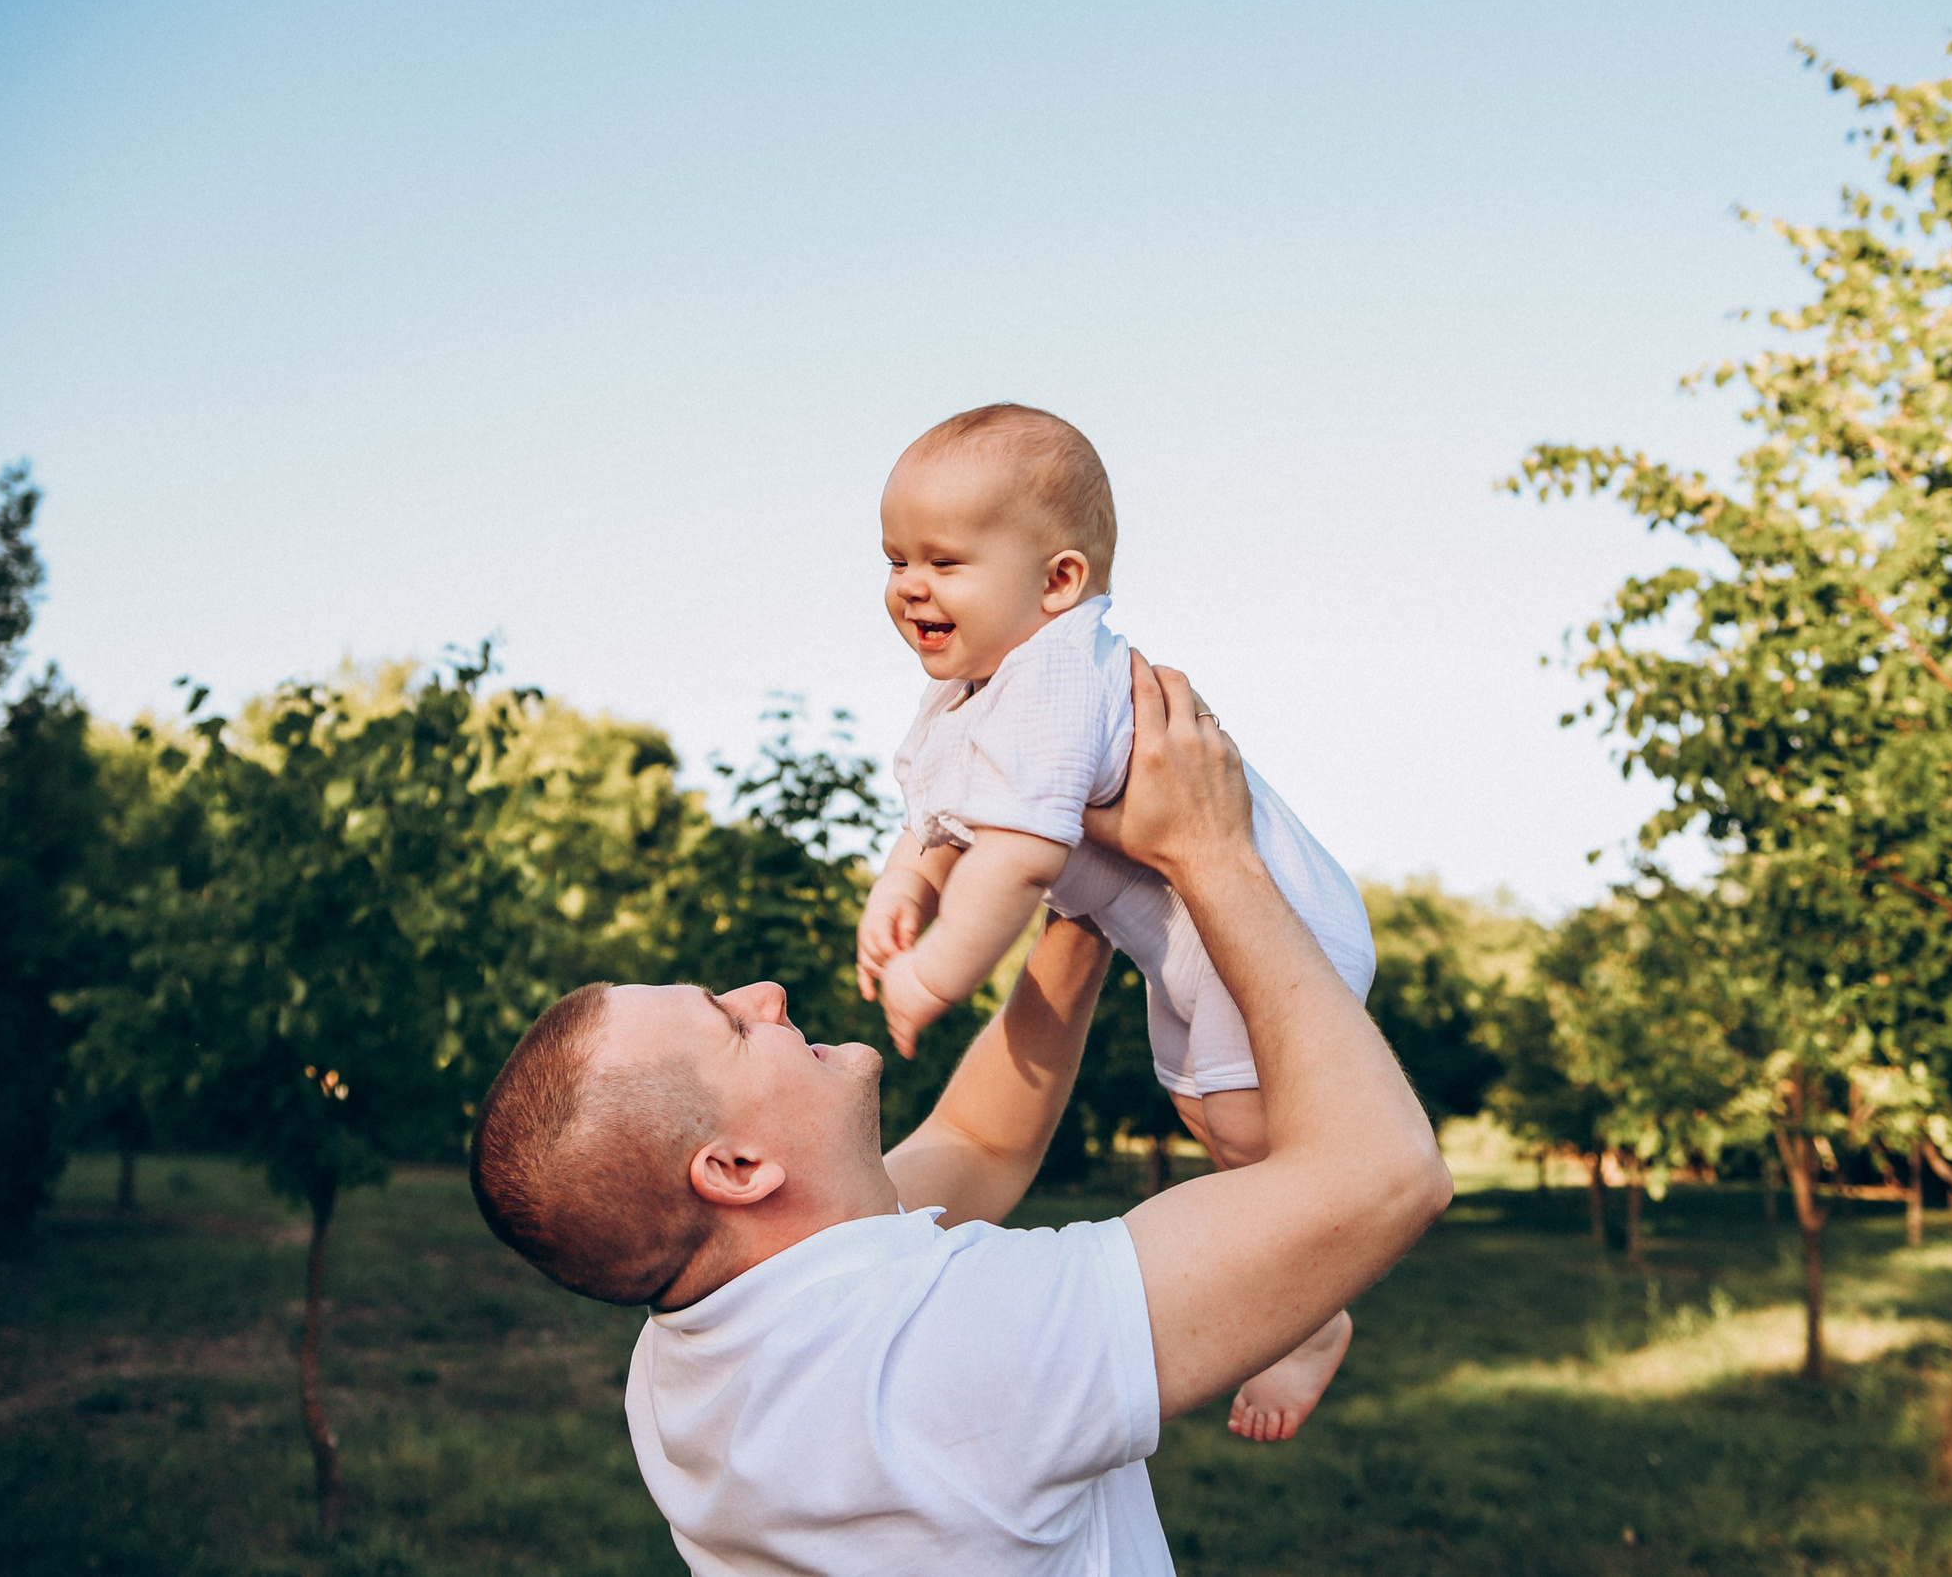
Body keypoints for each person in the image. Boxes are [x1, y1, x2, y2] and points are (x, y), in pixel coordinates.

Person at [470, 655, 1450, 1575]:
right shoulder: (950, 1356)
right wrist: (1208, 852)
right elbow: (1381, 1176)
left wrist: (1081, 894)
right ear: (734, 1169)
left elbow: (976, 1145)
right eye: (729, 1025)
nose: (763, 992)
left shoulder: (693, 1352)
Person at [861, 402, 1375, 1440]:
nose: (911, 584)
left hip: (1269, 923)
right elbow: (941, 813)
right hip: (1178, 941)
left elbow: (1019, 855)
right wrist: (902, 886)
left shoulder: (1054, 675)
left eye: (946, 560)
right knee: (1214, 1124)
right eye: (894, 558)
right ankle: (1306, 1288)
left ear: (1059, 582)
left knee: (1258, 1140)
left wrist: (937, 972)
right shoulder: (972, 687)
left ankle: (1311, 1308)